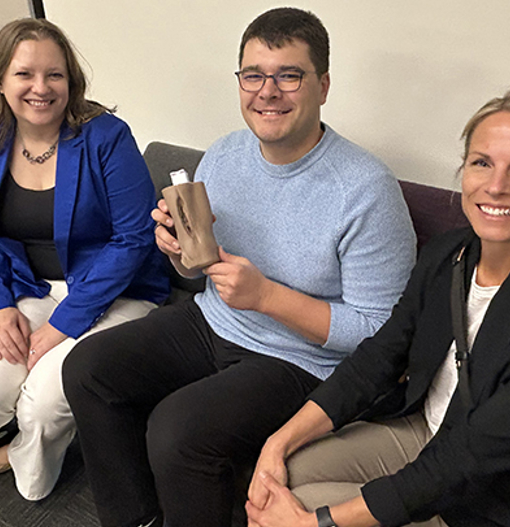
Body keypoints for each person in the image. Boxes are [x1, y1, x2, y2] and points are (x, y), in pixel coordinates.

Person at [61, 7, 416, 527]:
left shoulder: (366, 190)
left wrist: (266, 297)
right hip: (214, 322)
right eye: (253, 75)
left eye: (288, 76)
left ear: (323, 85)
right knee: (88, 369)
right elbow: (198, 275)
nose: (267, 91)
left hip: (302, 360)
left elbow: (381, 335)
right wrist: (180, 254)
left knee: (176, 430)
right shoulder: (224, 156)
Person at [245, 89, 510, 527]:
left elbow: (463, 462)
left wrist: (316, 524)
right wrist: (277, 441)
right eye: (482, 162)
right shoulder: (449, 256)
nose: (496, 186)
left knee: (300, 510)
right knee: (286, 476)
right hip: (424, 433)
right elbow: (378, 359)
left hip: (494, 499)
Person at [0, 18, 169, 501]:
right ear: (0, 80)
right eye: (25, 74)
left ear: (71, 81)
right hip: (31, 287)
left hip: (116, 292)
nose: (41, 88)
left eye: (54, 75)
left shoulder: (106, 136)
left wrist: (62, 325)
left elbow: (135, 238)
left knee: (42, 404)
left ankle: (8, 461)